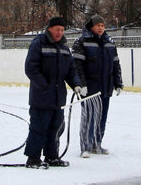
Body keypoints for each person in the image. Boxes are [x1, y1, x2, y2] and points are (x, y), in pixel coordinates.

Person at [23, 16, 81, 168]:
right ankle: (33, 158)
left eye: (62, 30)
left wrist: (76, 84)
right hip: (41, 97)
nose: (60, 32)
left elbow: (71, 70)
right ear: (50, 29)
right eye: (57, 29)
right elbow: (31, 68)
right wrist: (44, 86)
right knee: (38, 127)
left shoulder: (64, 47)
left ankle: (52, 156)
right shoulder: (38, 44)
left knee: (56, 128)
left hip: (58, 98)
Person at [71, 14, 123, 157]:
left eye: (102, 25)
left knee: (102, 117)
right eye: (98, 25)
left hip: (105, 87)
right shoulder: (81, 42)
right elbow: (77, 66)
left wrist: (118, 82)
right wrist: (81, 84)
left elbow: (115, 64)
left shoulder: (109, 42)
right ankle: (85, 146)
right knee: (89, 117)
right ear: (91, 26)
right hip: (90, 88)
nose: (101, 28)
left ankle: (97, 143)